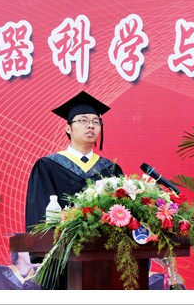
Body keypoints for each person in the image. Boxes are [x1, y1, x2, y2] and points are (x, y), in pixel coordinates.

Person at [25, 90, 122, 231]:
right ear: (68, 128)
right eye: (83, 120)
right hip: (62, 243)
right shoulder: (48, 166)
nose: (91, 125)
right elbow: (39, 216)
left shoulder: (110, 169)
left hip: (105, 243)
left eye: (96, 122)